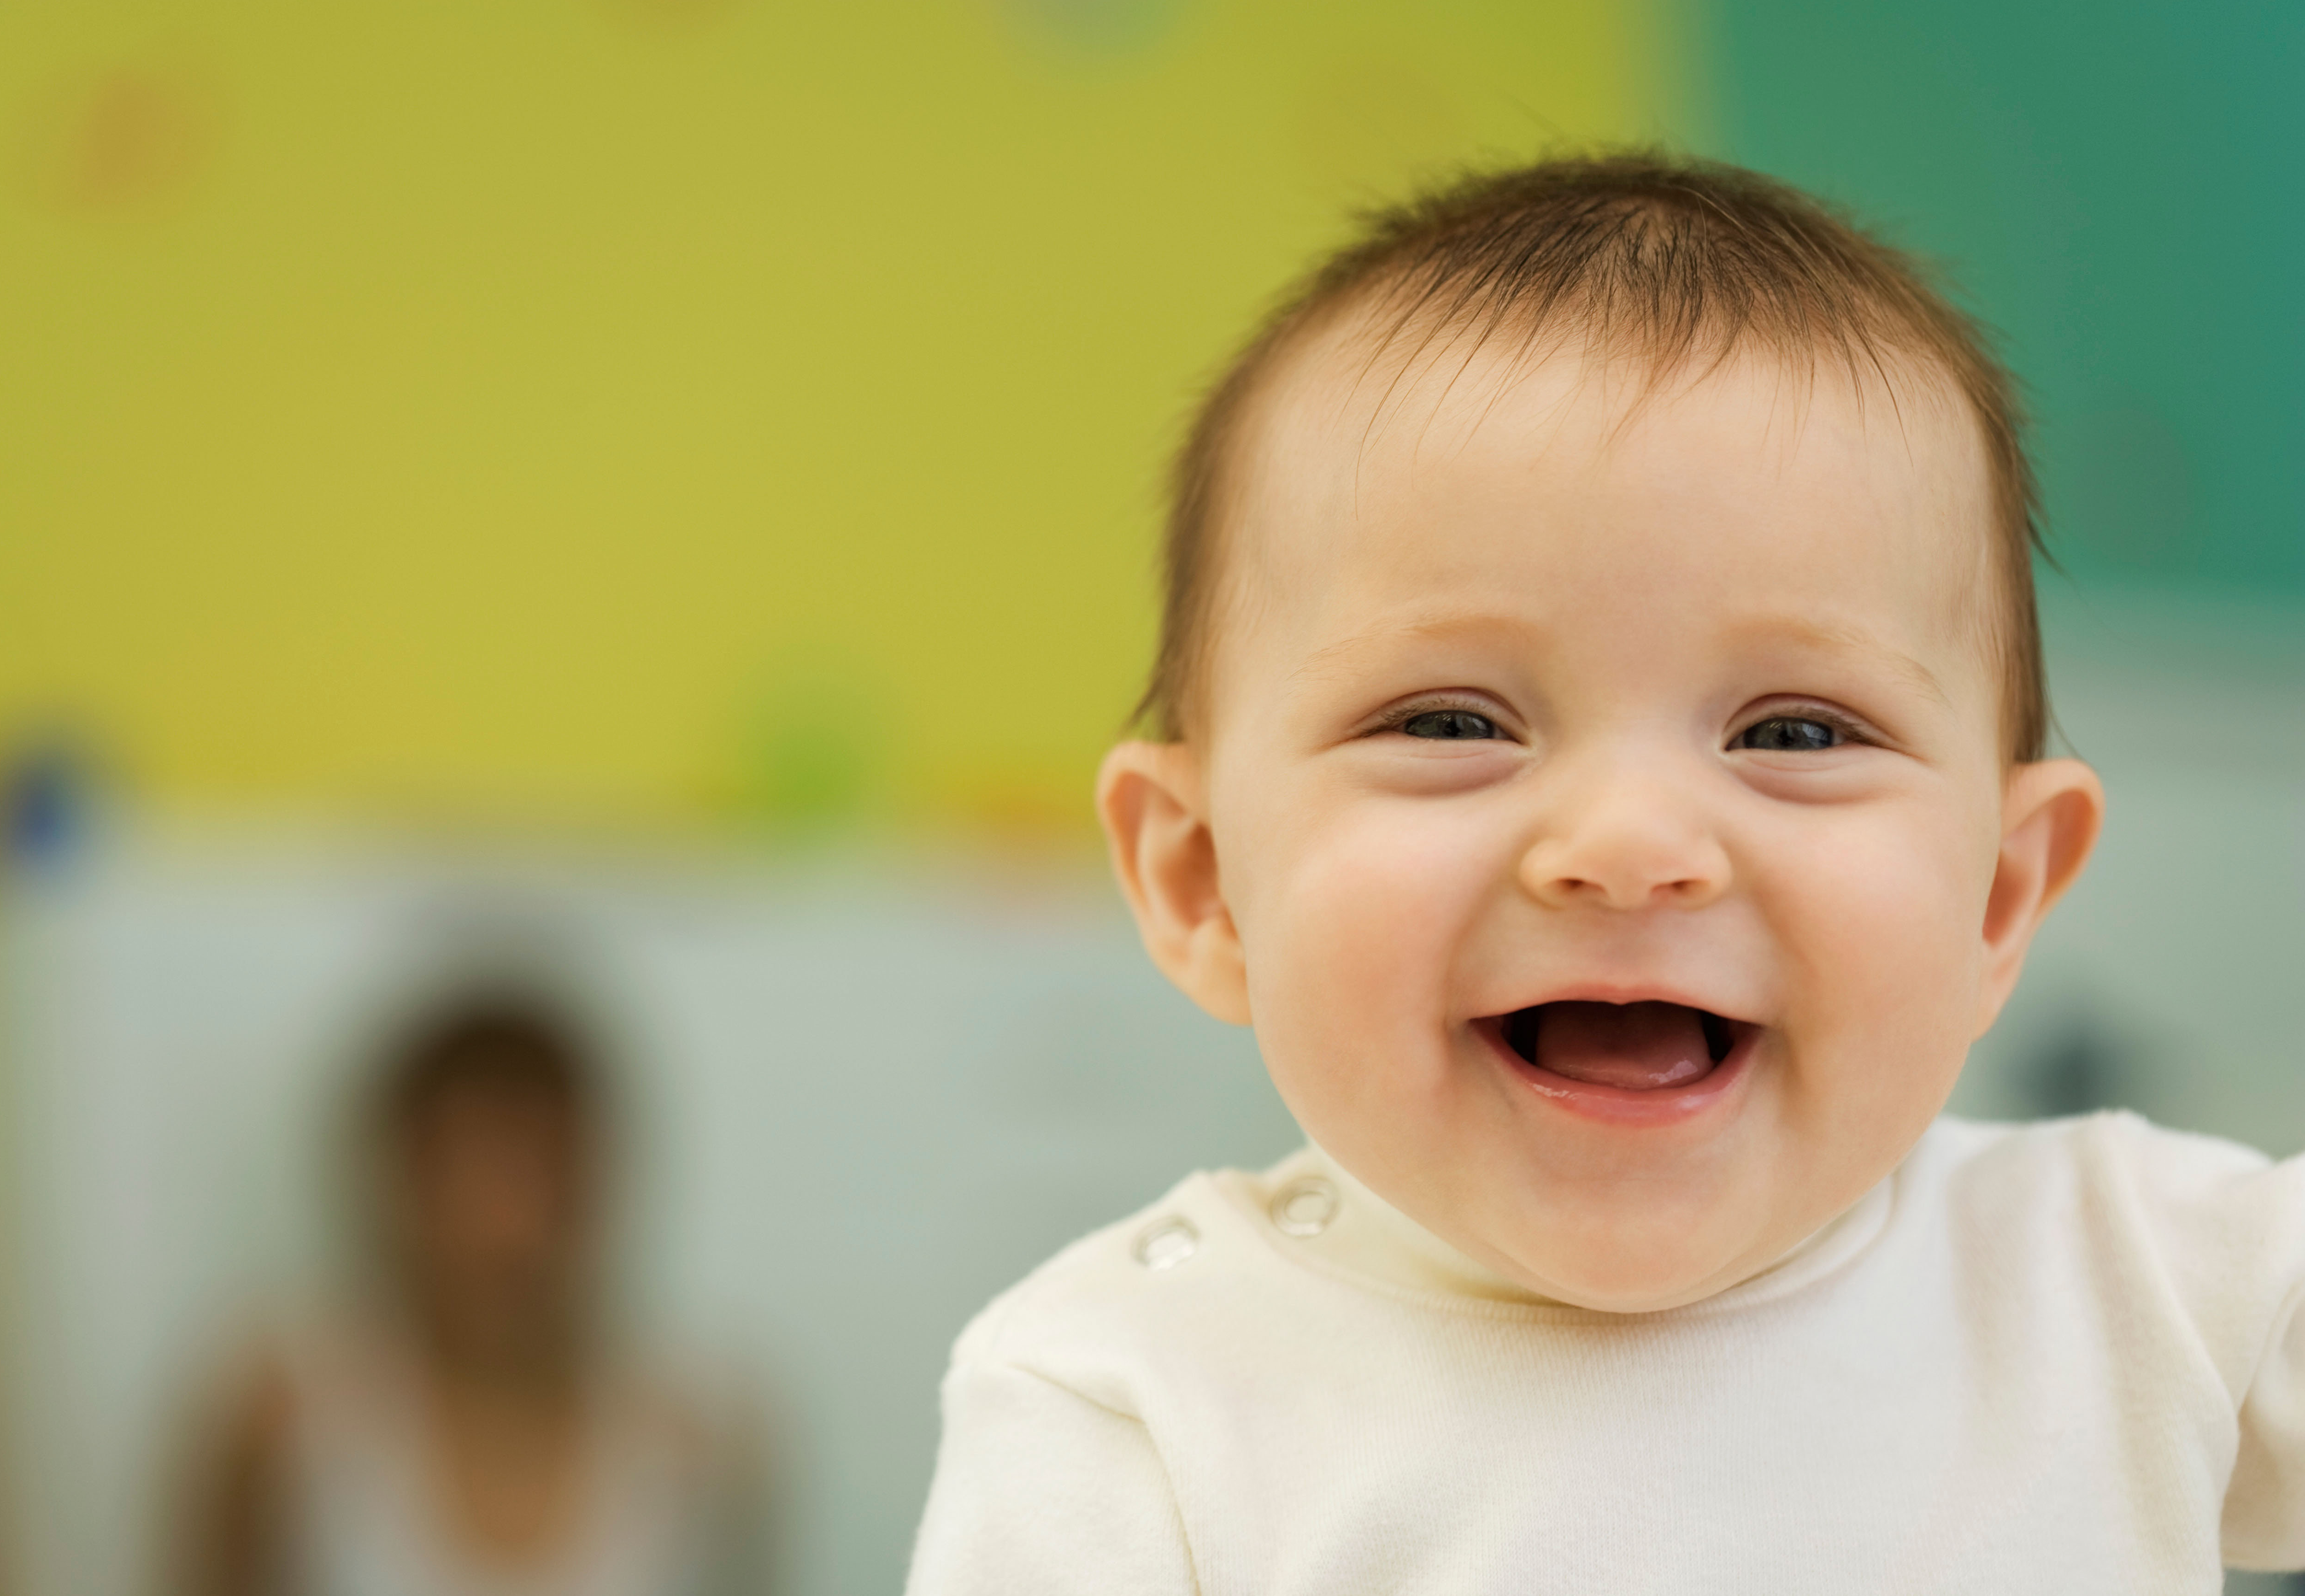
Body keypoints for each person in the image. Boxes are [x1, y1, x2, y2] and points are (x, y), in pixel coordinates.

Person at [906, 153, 2305, 1590]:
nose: (1633, 847)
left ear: (2001, 897)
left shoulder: (2153, 1284)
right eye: (1453, 722)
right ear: (1204, 883)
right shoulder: (1129, 1400)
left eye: (1796, 731)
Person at [185, 993, 772, 1596]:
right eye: (473, 1175)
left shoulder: (699, 1442)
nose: (510, 1228)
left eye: (543, 1172)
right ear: (395, 1183)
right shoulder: (286, 1420)